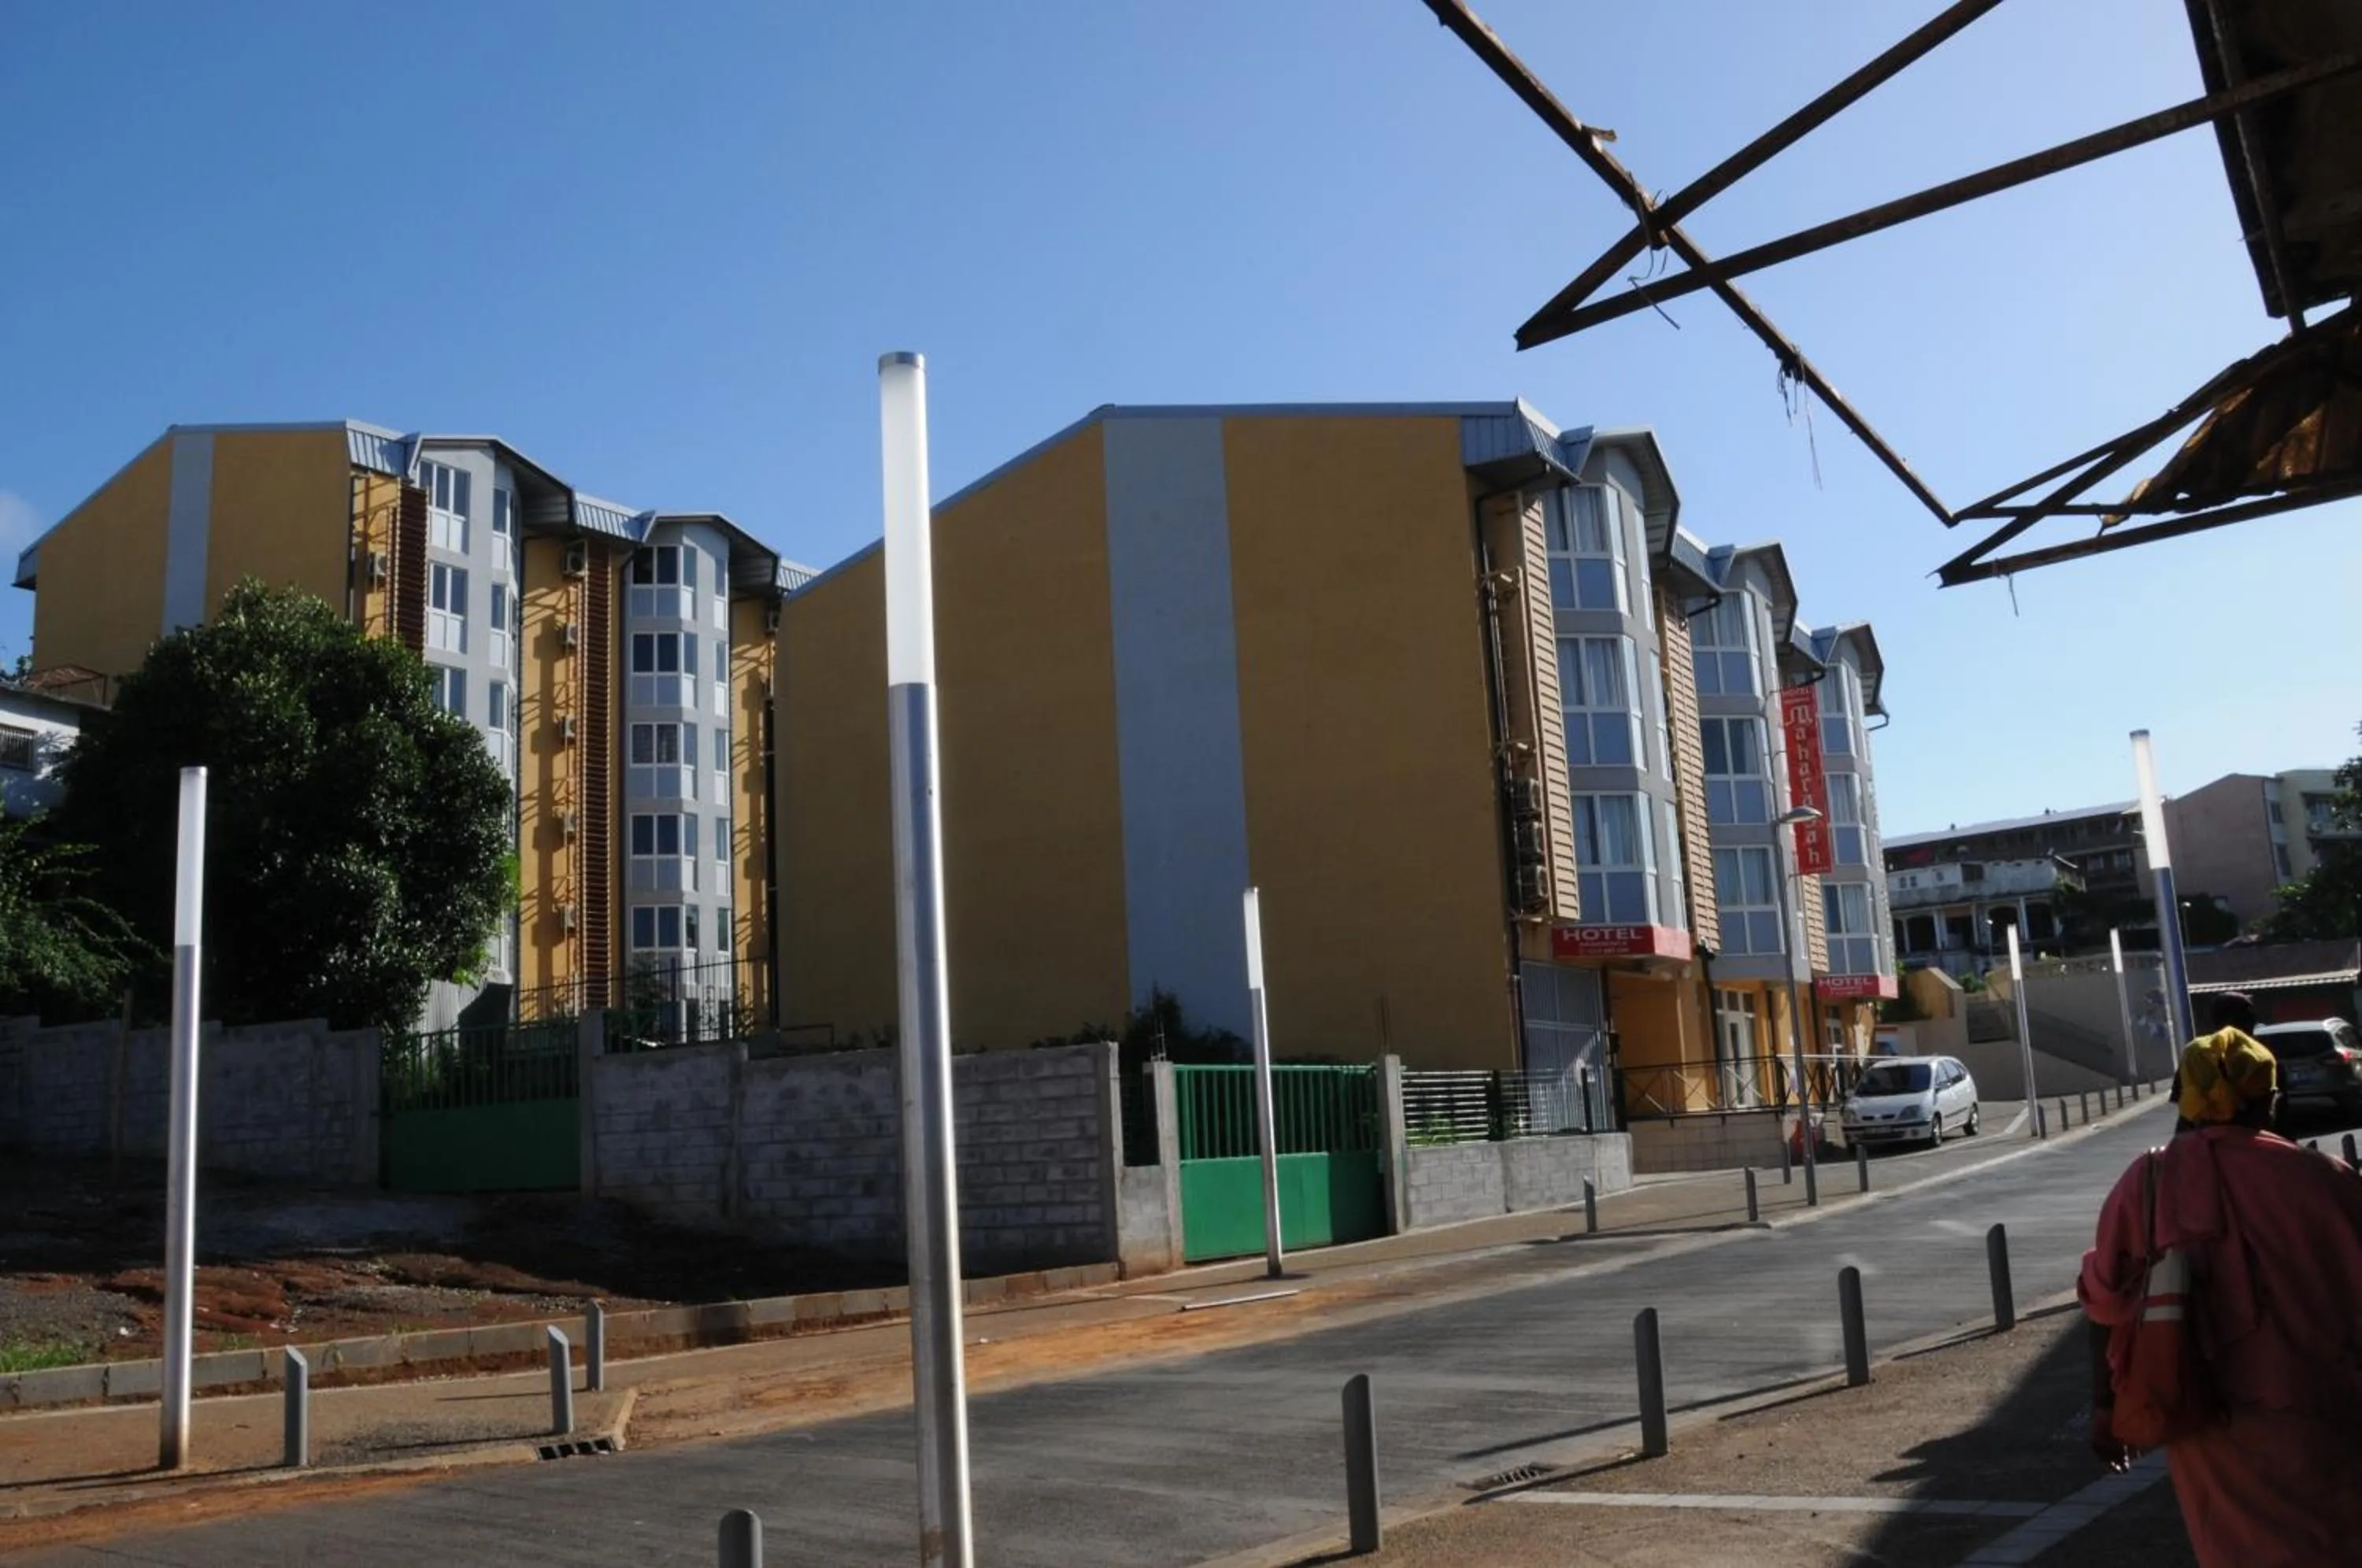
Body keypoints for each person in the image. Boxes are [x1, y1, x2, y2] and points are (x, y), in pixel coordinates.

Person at [2077, 1019, 2362, 1566]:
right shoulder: (2327, 1178)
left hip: (2209, 1420)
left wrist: (2106, 1408)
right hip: (2330, 1411)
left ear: (2183, 1100)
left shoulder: (2148, 1183)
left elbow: (2104, 1303)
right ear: (2270, 1101)